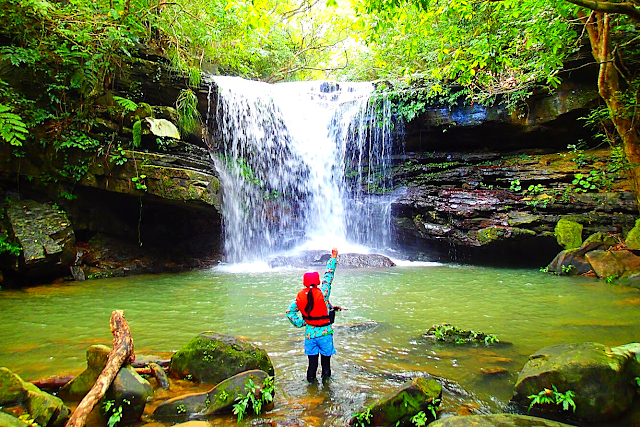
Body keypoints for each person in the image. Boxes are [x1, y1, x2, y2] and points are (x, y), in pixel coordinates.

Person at [286, 247, 341, 383]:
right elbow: (329, 276)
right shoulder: (323, 293)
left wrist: (302, 322)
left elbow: (289, 312)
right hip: (325, 334)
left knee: (312, 365)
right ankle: (326, 391)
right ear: (317, 282)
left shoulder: (299, 297)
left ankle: (311, 389)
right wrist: (333, 257)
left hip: (310, 335)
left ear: (304, 283)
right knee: (326, 365)